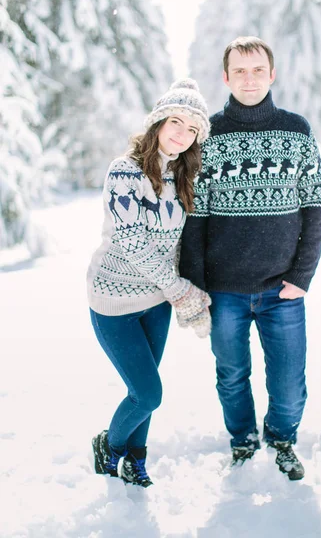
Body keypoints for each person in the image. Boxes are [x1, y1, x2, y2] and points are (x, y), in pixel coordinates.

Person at [179, 37, 321, 481]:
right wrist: (196, 285)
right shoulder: (209, 134)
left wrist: (301, 276)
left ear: (271, 74)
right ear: (225, 77)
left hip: (282, 289)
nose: (249, 79)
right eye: (239, 71)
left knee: (288, 382)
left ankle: (282, 439)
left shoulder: (296, 130)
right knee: (231, 374)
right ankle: (242, 439)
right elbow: (195, 218)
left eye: (257, 70)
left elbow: (316, 207)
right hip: (223, 290)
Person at [87, 79, 211, 487]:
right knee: (148, 393)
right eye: (176, 120)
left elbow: (175, 245)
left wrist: (185, 289)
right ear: (158, 120)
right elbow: (132, 240)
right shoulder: (125, 170)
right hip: (113, 302)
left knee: (146, 390)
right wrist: (178, 289)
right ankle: (110, 444)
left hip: (155, 301)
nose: (181, 132)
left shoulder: (181, 177)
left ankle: (135, 459)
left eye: (192, 128)